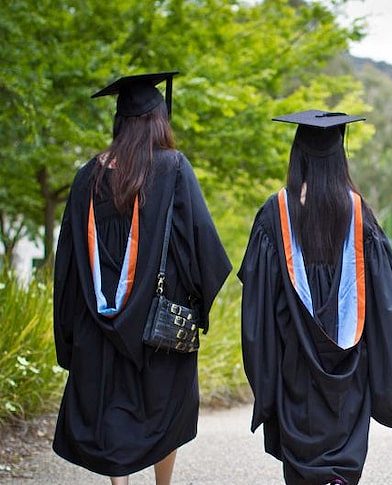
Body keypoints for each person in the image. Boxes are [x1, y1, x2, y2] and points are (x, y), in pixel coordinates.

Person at [53, 72, 232, 484]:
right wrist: (196, 305)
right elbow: (202, 246)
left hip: (96, 324)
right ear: (158, 121)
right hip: (158, 327)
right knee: (163, 409)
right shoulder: (172, 168)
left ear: (120, 121)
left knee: (111, 406)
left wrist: (68, 332)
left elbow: (66, 262)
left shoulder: (87, 177)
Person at [239, 110, 392, 485]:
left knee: (301, 460)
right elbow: (386, 300)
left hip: (294, 363)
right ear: (340, 157)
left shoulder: (274, 213)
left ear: (298, 155)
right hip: (350, 365)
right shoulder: (359, 213)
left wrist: (265, 370)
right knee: (342, 460)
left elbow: (257, 300)